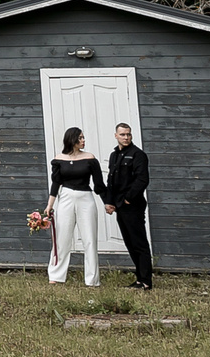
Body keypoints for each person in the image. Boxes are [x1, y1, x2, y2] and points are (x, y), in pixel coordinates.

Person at [29, 126, 109, 286]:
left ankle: (92, 280)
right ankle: (56, 276)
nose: (83, 140)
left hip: (85, 198)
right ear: (72, 140)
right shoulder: (59, 159)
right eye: (80, 138)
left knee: (89, 239)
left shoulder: (90, 158)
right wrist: (49, 205)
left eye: (83, 137)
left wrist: (107, 202)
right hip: (65, 197)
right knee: (61, 238)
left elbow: (99, 184)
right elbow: (56, 183)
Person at [103, 121, 154, 291]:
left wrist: (128, 199)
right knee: (130, 243)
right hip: (119, 206)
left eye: (128, 134)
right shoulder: (114, 155)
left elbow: (142, 180)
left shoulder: (138, 155)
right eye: (122, 134)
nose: (126, 137)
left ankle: (146, 281)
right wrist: (109, 202)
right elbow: (111, 181)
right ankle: (139, 279)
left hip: (133, 205)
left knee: (139, 243)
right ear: (116, 136)